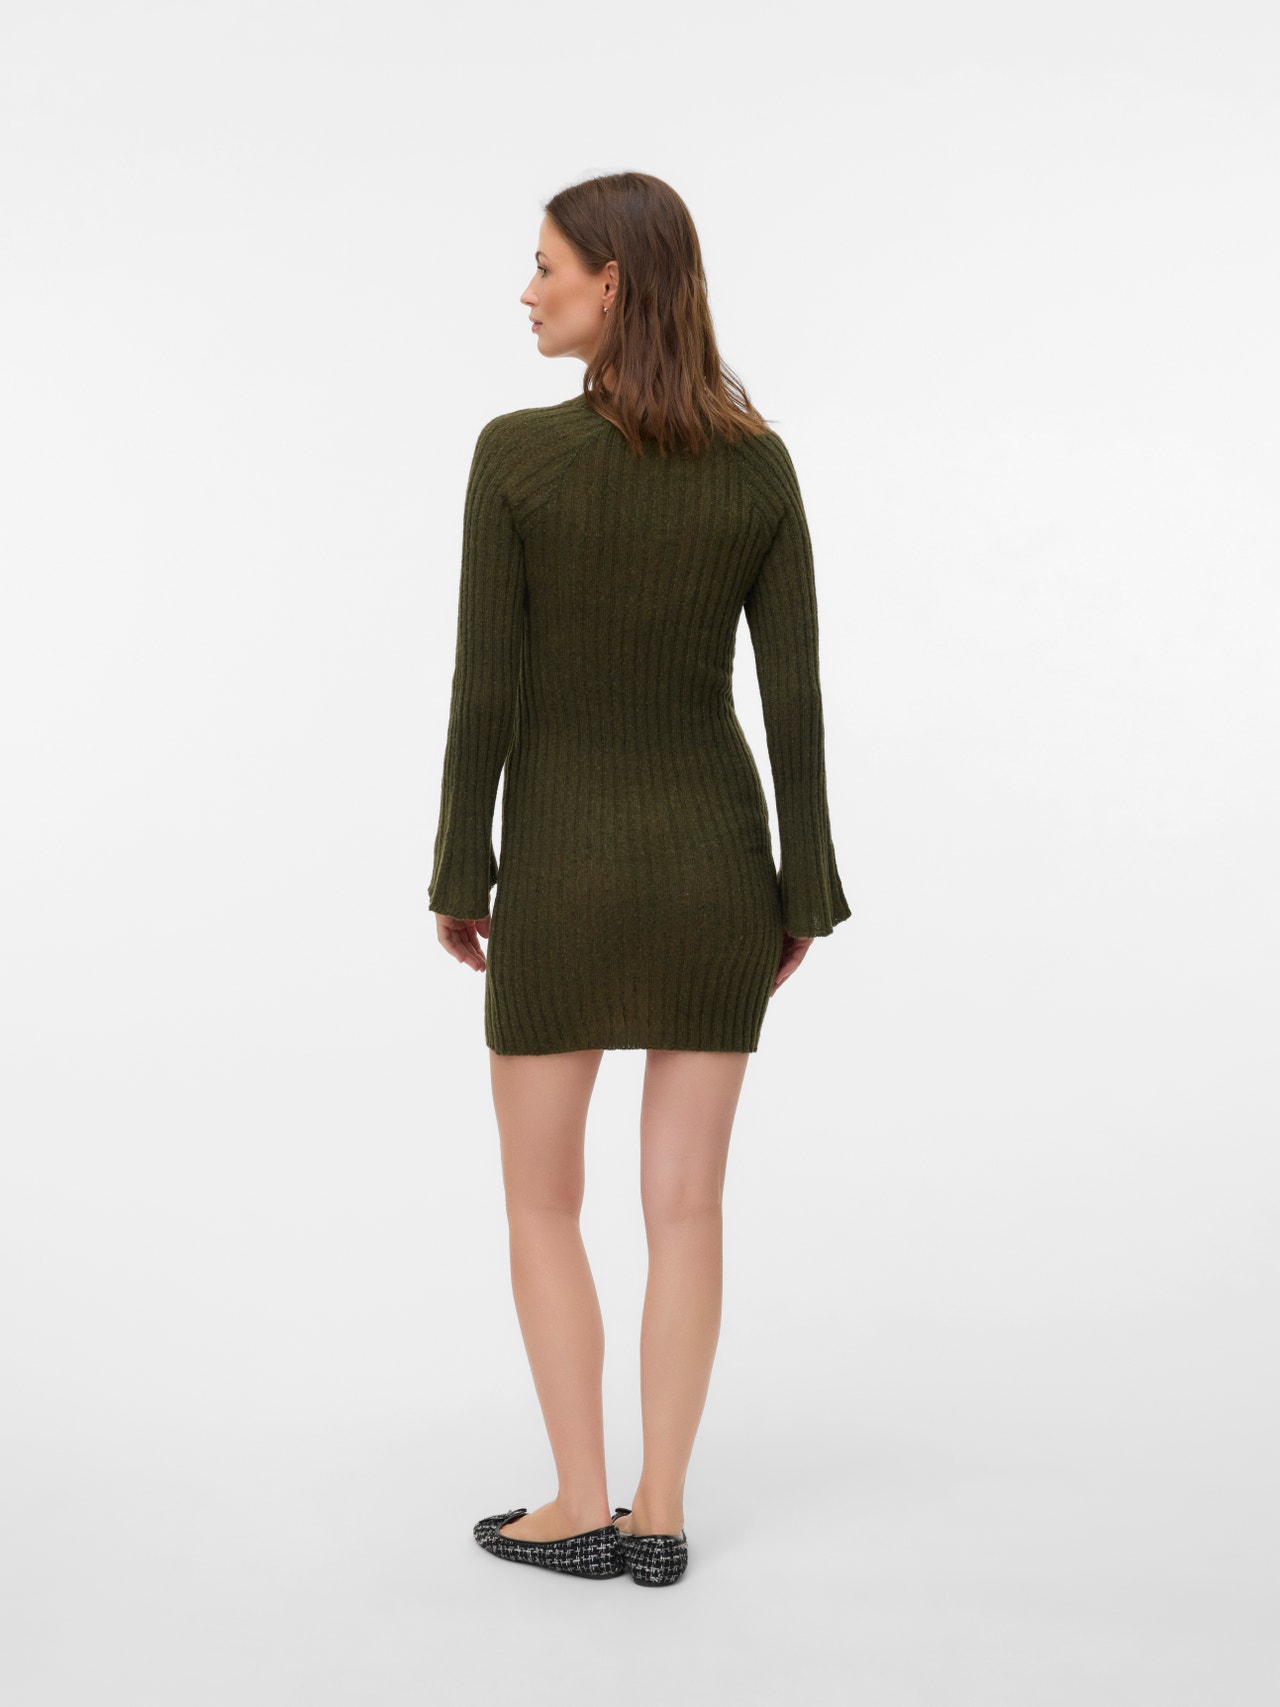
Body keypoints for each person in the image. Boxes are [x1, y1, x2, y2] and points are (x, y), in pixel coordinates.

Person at [428, 171, 851, 1585]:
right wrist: (804, 889)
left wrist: (462, 869)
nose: (528, 290)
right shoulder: (757, 466)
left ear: (612, 283)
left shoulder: (516, 458)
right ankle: (660, 1512)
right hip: (717, 871)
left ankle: (578, 1502)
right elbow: (794, 702)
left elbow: (485, 692)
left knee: (543, 1203)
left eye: (546, 265)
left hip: (559, 874)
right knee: (687, 1207)